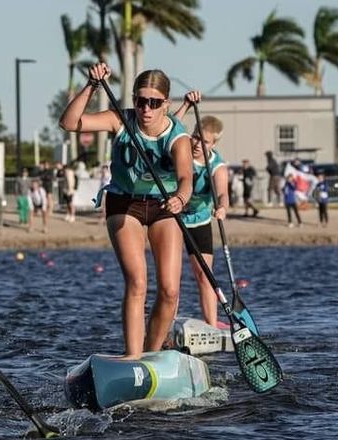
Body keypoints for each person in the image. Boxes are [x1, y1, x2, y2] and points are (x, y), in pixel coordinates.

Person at [59, 62, 193, 357]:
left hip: (163, 205)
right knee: (137, 282)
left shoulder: (178, 137)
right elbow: (69, 123)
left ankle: (152, 355)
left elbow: (186, 180)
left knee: (170, 291)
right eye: (140, 100)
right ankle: (133, 358)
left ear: (166, 105)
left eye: (154, 103)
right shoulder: (120, 120)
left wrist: (180, 200)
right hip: (124, 202)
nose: (146, 109)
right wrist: (92, 86)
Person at [170, 105, 230, 329]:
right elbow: (169, 125)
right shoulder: (181, 148)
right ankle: (168, 324)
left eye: (204, 141)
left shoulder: (217, 166)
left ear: (213, 144)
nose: (196, 144)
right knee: (171, 279)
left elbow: (223, 193)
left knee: (205, 275)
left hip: (200, 220)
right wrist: (185, 105)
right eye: (195, 137)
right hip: (174, 219)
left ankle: (212, 324)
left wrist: (222, 208)